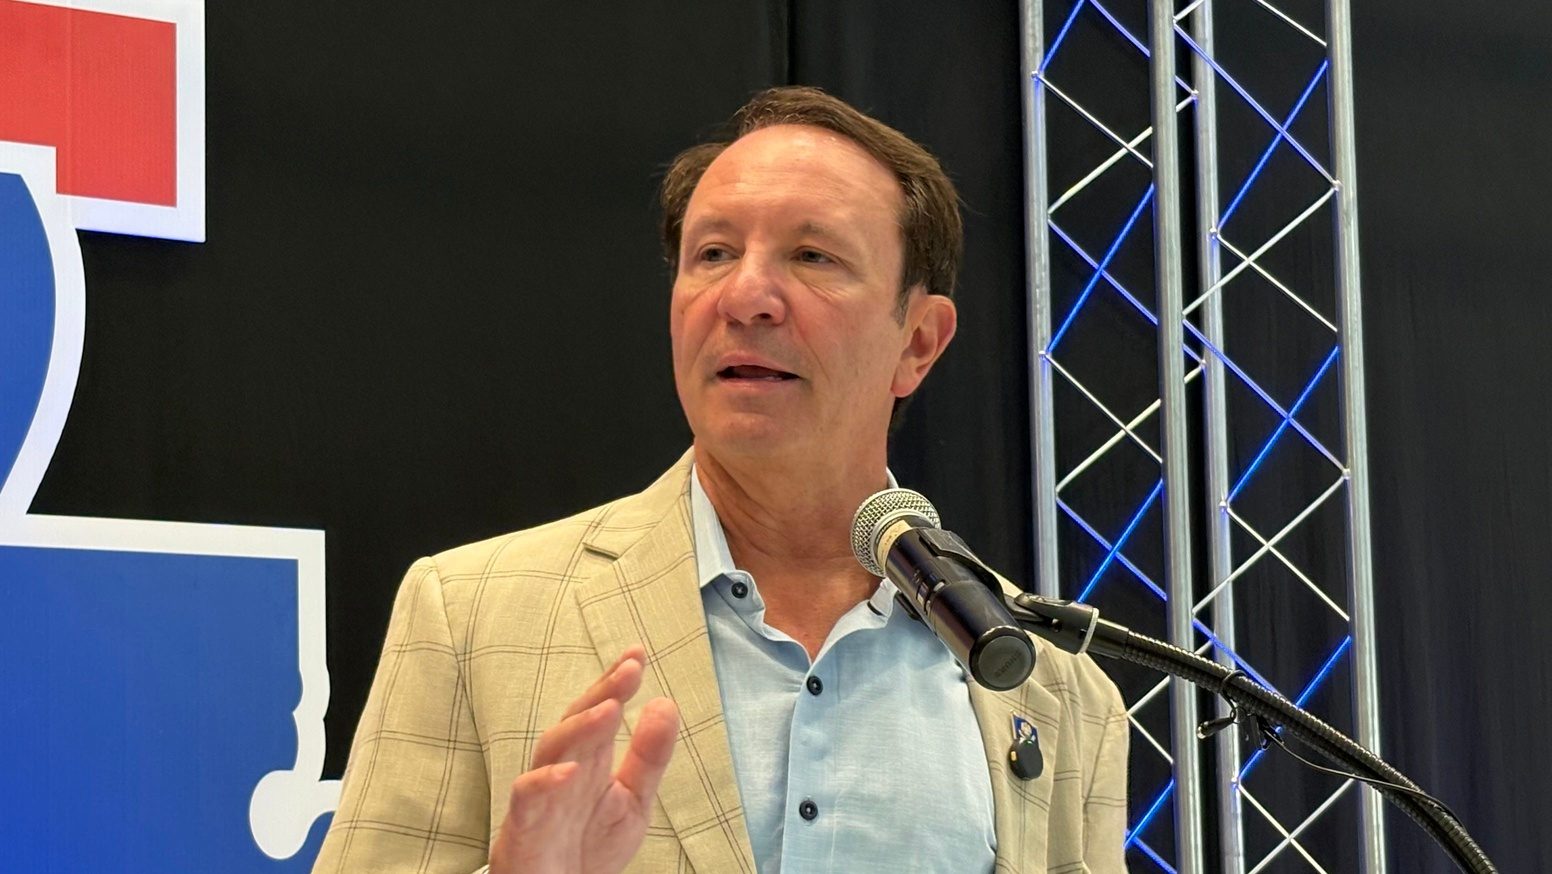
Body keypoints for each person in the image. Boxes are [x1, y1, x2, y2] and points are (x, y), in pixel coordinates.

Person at [312, 85, 1128, 874]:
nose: (745, 296)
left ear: (918, 341)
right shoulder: (470, 613)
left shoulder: (1054, 688)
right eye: (713, 253)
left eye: (812, 256)